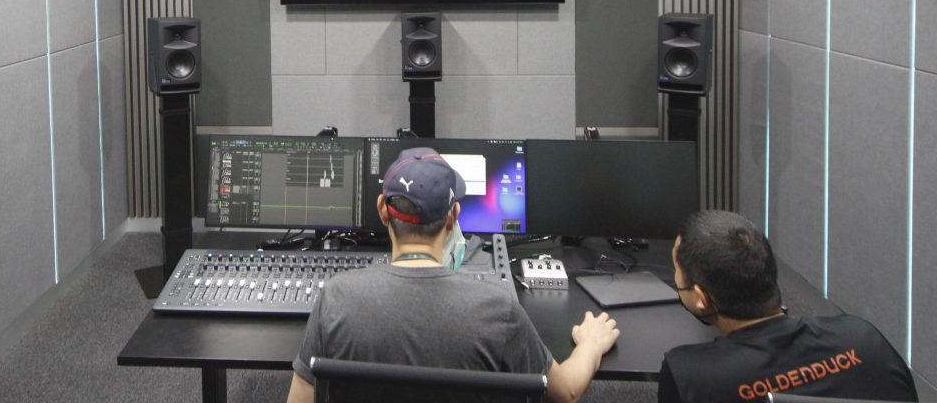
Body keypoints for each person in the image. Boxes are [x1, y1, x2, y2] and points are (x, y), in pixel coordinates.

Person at [287, 147, 619, 403]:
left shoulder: (335, 298)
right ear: (453, 216)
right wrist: (590, 345)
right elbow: (566, 393)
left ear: (383, 211)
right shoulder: (499, 310)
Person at [660, 209, 917, 403]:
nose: (675, 278)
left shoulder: (689, 376)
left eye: (677, 272)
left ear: (702, 298)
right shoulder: (862, 337)